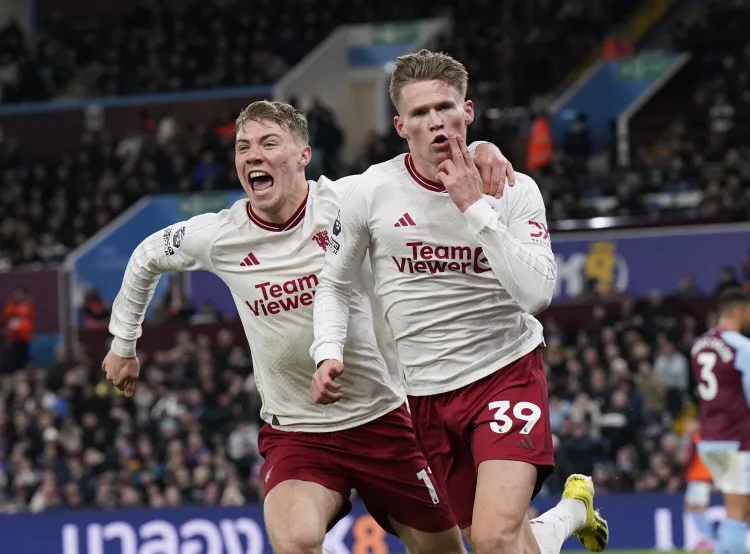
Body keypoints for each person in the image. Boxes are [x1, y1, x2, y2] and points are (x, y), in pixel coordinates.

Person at [101, 99, 513, 554]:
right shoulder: (220, 236)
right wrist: (124, 342)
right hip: (298, 432)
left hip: (386, 419)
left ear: (304, 155)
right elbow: (146, 257)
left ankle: (569, 514)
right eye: (243, 148)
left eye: (268, 143)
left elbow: (421, 170)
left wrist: (482, 149)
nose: (252, 155)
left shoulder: (350, 200)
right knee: (295, 540)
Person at [311, 49, 609, 554]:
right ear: (401, 126)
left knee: (493, 536)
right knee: (498, 539)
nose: (436, 123)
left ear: (467, 112)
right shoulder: (369, 192)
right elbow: (335, 283)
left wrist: (476, 208)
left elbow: (538, 294)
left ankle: (565, 515)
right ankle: (571, 514)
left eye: (445, 107)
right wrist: (326, 348)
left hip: (505, 371)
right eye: (420, 114)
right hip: (426, 393)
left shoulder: (512, 190)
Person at [691, 288, 750, 554]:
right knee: (739, 512)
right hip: (737, 440)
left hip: (711, 439)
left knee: (735, 508)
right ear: (739, 311)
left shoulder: (699, 345)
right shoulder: (742, 347)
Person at [682, 420, 715, 552]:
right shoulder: (694, 439)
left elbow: (688, 457)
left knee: (700, 508)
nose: (687, 426)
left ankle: (709, 539)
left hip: (702, 477)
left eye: (689, 424)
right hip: (694, 477)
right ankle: (703, 537)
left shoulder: (699, 439)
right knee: (689, 507)